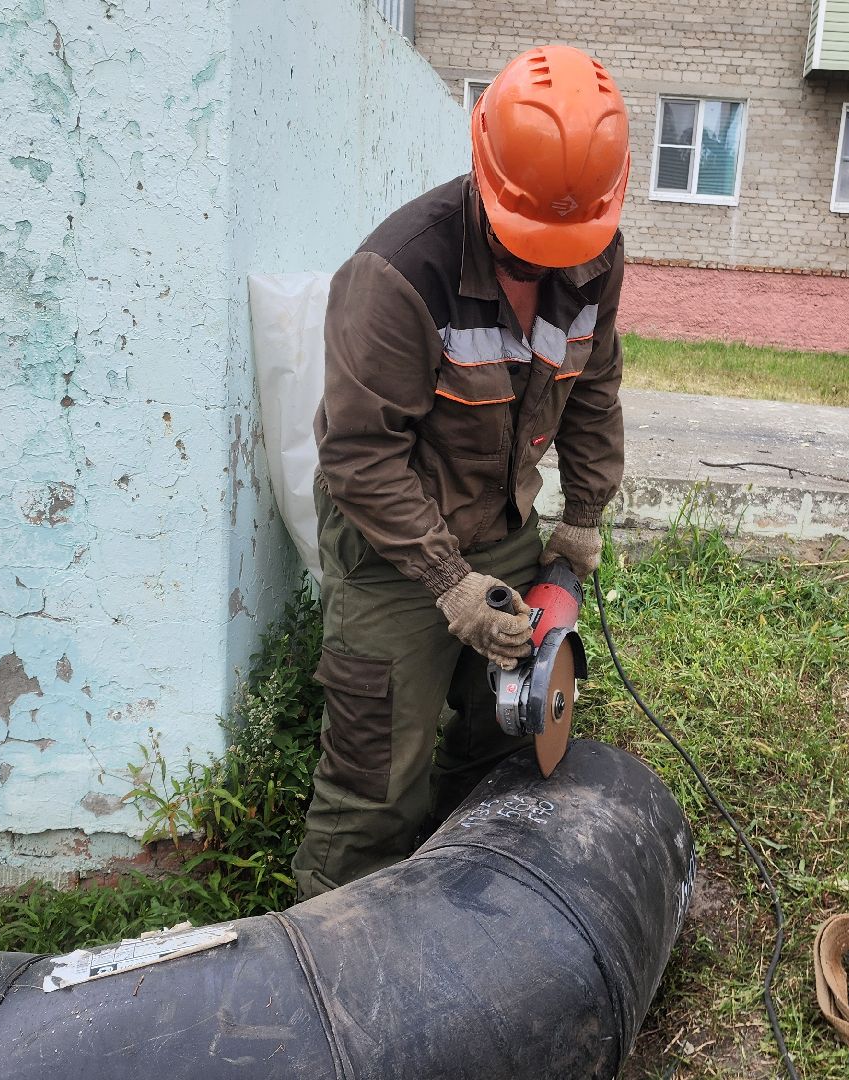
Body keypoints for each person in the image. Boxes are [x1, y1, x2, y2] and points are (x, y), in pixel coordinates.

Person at [291, 45, 631, 900]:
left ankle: (458, 909)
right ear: (485, 168)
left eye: (571, 243)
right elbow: (358, 455)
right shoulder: (400, 273)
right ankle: (332, 971)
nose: (554, 264)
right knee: (375, 790)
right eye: (532, 244)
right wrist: (448, 584)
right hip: (396, 546)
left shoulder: (595, 251)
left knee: (502, 740)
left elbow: (592, 384)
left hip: (503, 527)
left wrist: (582, 516)